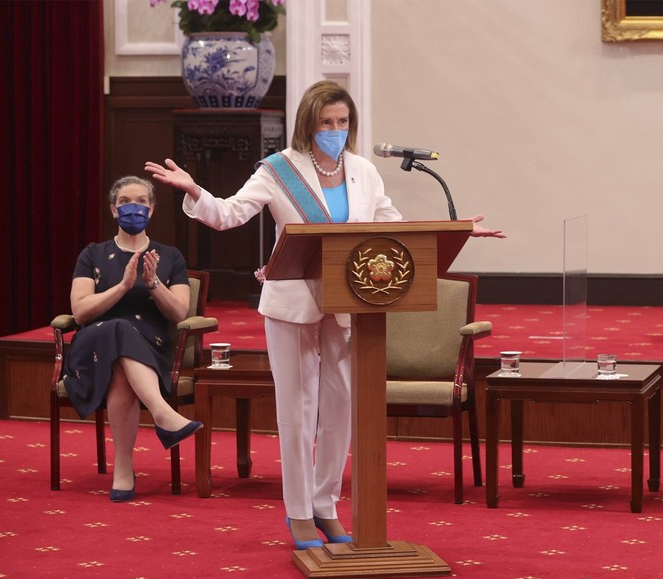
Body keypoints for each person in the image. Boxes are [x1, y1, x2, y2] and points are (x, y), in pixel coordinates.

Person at [145, 80, 504, 549]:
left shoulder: (363, 171)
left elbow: (390, 226)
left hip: (351, 305)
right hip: (293, 303)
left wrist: (450, 231)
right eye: (326, 123)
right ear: (308, 124)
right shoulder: (278, 170)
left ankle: (324, 505)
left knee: (341, 410)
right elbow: (230, 214)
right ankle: (297, 512)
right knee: (298, 410)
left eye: (343, 122)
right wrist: (194, 190)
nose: (335, 130)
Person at [63, 176, 204, 502]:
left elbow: (179, 313)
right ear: (114, 210)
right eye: (125, 202)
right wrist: (123, 287)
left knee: (122, 366)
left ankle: (123, 469)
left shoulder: (169, 257)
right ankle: (162, 414)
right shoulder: (93, 254)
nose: (133, 208)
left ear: (151, 209)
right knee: (116, 328)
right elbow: (80, 312)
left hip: (148, 347)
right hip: (93, 345)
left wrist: (153, 283)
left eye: (141, 201)